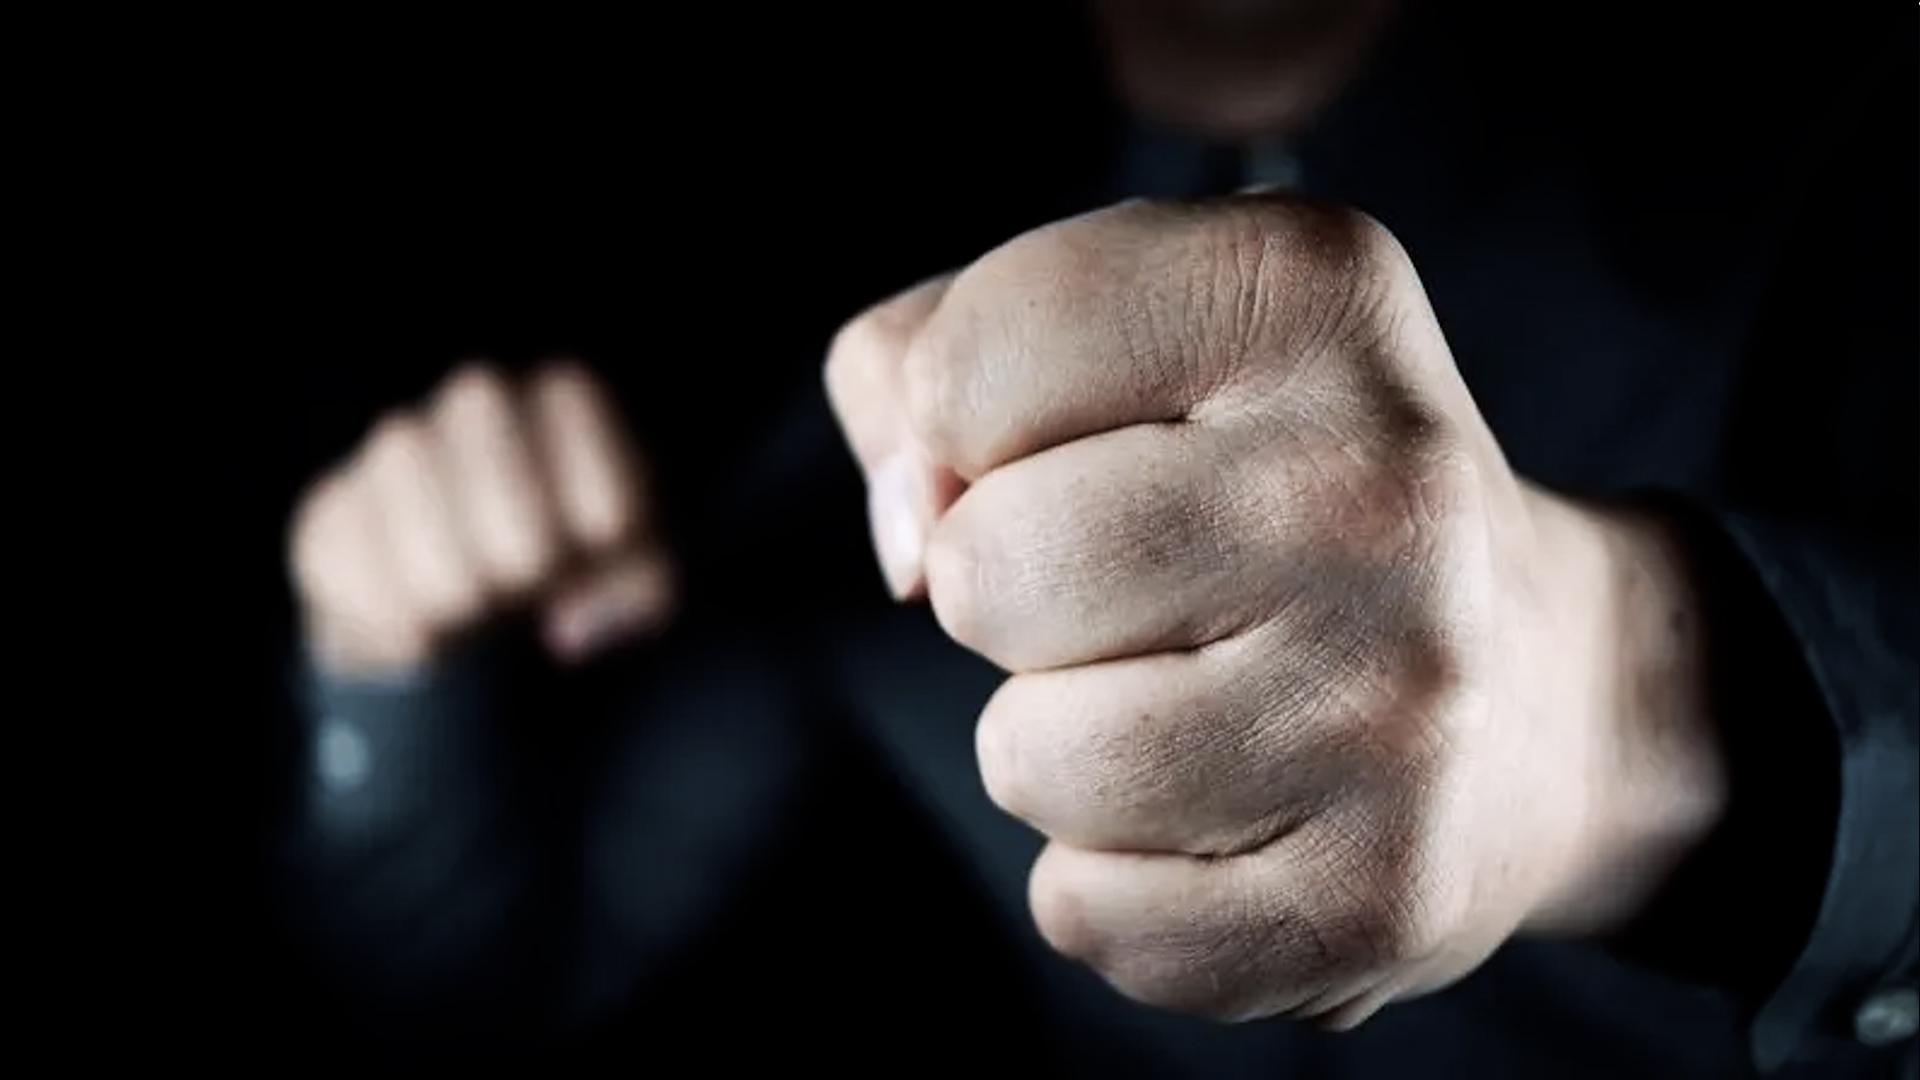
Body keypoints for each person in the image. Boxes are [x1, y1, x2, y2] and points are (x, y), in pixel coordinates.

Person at [265, 3, 1916, 1074]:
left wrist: (1622, 707)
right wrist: (383, 661)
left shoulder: (1839, 158)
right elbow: (489, 987)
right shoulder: (849, 347)